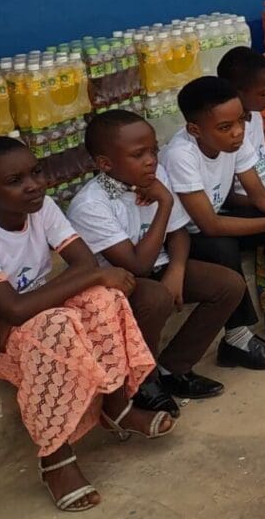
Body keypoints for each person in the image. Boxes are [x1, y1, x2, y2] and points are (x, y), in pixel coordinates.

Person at [0, 137, 164, 512]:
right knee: (57, 325)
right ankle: (55, 457)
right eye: (15, 181)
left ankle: (116, 403)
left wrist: (19, 308)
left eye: (35, 172)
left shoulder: (42, 207)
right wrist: (14, 310)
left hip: (25, 314)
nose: (33, 185)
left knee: (103, 298)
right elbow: (19, 307)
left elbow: (81, 265)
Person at [67, 110, 244, 416]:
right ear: (106, 164)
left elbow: (178, 234)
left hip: (157, 265)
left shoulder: (154, 176)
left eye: (153, 150)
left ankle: (172, 368)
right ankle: (142, 381)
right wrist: (164, 203)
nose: (151, 160)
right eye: (139, 154)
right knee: (155, 297)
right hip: (114, 284)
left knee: (228, 285)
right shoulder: (91, 206)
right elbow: (137, 267)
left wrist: (176, 270)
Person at [162, 76, 265, 367]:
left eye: (240, 121)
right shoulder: (180, 155)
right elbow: (209, 226)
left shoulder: (233, 139)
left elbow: (259, 194)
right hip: (185, 236)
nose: (238, 132)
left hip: (214, 222)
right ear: (194, 130)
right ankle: (237, 339)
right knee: (223, 246)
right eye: (225, 127)